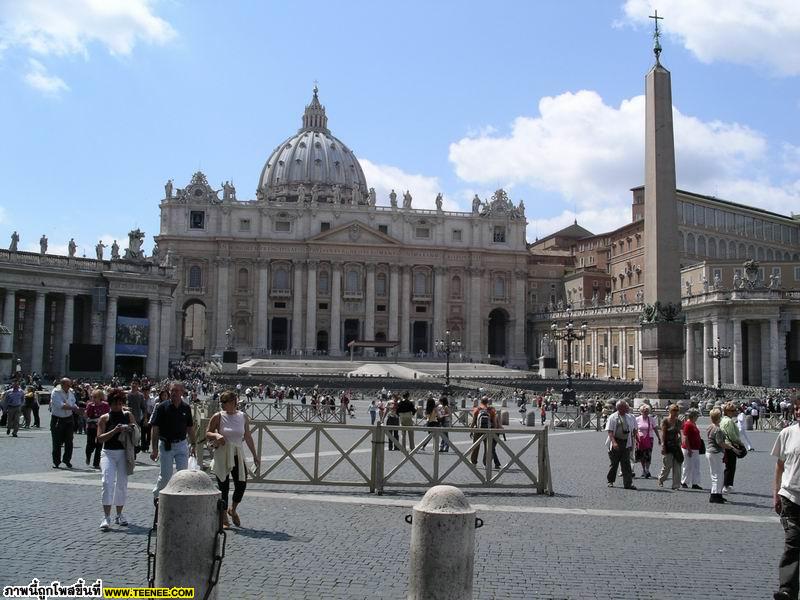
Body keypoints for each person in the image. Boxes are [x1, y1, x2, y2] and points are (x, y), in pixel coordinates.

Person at [206, 391, 260, 528]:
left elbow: (247, 436)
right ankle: (224, 517)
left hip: (237, 453)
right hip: (222, 453)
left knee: (241, 484)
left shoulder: (243, 417)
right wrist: (216, 436)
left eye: (224, 402)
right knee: (223, 487)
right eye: (221, 402)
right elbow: (207, 433)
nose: (222, 405)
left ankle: (233, 509)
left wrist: (255, 455)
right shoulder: (218, 416)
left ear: (233, 402)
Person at [95, 388, 138, 531]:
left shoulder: (128, 415)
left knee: (122, 483)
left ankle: (119, 514)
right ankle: (106, 517)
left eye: (120, 404)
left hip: (124, 453)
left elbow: (137, 432)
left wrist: (131, 429)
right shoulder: (104, 418)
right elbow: (100, 439)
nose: (118, 407)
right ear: (110, 404)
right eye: (115, 404)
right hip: (108, 453)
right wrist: (114, 431)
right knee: (107, 482)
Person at [772, 397, 800, 600]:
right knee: (792, 542)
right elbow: (780, 466)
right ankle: (787, 590)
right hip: (790, 495)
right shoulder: (787, 433)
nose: (798, 412)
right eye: (797, 408)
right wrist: (776, 494)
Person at [150, 382, 196, 504]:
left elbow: (190, 427)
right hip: (166, 444)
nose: (174, 393)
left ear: (182, 392)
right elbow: (155, 429)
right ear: (169, 392)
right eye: (172, 390)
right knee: (166, 476)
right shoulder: (161, 407)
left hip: (181, 444)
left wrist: (194, 444)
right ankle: (157, 494)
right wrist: (154, 449)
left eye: (177, 391)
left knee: (183, 474)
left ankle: (179, 498)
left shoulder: (186, 408)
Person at [604, 400, 637, 489]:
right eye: (624, 407)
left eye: (626, 407)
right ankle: (610, 481)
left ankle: (628, 483)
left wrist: (634, 438)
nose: (626, 408)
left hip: (626, 442)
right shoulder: (613, 417)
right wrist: (614, 442)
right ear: (619, 408)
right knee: (614, 464)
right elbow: (610, 431)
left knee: (626, 464)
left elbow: (633, 429)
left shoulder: (629, 417)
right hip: (616, 442)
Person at [707, 408, 735, 504]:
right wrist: (730, 447)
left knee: (714, 474)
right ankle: (715, 495)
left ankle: (717, 494)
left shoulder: (710, 426)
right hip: (716, 452)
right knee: (718, 475)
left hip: (710, 452)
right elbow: (720, 443)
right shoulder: (717, 429)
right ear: (719, 418)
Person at [50, 378, 79, 469]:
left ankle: (67, 460)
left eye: (70, 384)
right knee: (57, 441)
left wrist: (77, 408)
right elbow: (61, 405)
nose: (70, 386)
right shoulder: (56, 392)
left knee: (69, 441)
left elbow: (73, 402)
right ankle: (56, 461)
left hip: (69, 419)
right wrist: (74, 408)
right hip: (58, 419)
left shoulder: (70, 392)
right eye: (68, 385)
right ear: (62, 384)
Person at [470, 397, 501, 469]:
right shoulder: (491, 410)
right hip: (488, 431)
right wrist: (495, 431)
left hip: (478, 430)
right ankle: (486, 463)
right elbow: (494, 422)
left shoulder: (477, 409)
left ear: (481, 401)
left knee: (475, 447)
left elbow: (473, 421)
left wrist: (471, 430)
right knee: (487, 448)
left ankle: (474, 462)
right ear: (488, 402)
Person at [658, 404, 684, 490]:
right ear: (670, 411)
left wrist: (681, 441)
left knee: (677, 465)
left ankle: (676, 485)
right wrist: (663, 446)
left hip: (676, 445)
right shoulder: (665, 421)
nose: (676, 413)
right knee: (667, 465)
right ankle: (661, 478)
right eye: (674, 411)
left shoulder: (678, 421)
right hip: (667, 444)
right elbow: (663, 434)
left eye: (677, 411)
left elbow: (680, 432)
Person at [721, 401, 744, 494]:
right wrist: (740, 443)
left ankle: (726, 485)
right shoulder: (729, 421)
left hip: (725, 445)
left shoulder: (723, 420)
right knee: (731, 467)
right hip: (730, 445)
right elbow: (732, 436)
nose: (735, 412)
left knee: (728, 466)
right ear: (728, 411)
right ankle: (726, 486)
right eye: (733, 410)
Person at [85, 388, 109, 469]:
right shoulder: (90, 405)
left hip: (101, 428)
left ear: (100, 397)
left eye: (95, 397)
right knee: (90, 444)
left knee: (99, 446)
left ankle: (96, 463)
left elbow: (107, 416)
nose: (93, 399)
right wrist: (94, 418)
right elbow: (87, 417)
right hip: (91, 427)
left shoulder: (105, 405)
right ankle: (88, 456)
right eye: (92, 397)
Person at [635, 404, 660, 478]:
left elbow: (655, 428)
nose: (645, 412)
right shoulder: (637, 419)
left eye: (647, 411)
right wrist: (635, 437)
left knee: (648, 454)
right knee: (642, 455)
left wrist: (659, 437)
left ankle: (647, 469)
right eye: (644, 411)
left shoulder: (651, 419)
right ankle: (643, 469)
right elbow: (635, 429)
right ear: (641, 411)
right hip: (640, 439)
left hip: (649, 438)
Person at [681, 408, 703, 490]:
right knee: (687, 466)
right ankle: (684, 482)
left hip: (695, 448)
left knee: (696, 466)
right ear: (693, 416)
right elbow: (685, 438)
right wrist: (689, 449)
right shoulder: (687, 424)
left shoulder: (693, 423)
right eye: (697, 415)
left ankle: (695, 483)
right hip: (689, 449)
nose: (697, 417)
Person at [126, 380, 146, 454]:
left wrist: (145, 418)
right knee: (127, 436)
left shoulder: (140, 395)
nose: (134, 384)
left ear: (138, 386)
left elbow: (144, 408)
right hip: (126, 418)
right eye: (133, 383)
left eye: (136, 384)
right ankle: (130, 452)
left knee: (135, 436)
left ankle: (134, 450)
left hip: (137, 419)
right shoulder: (127, 394)